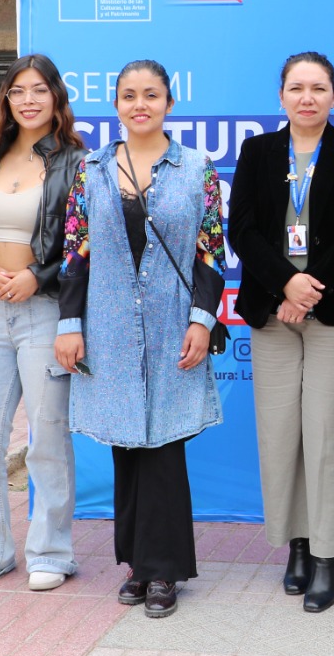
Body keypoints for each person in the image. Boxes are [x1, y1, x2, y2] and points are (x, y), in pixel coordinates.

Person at [52, 59, 226, 619]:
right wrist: (70, 325)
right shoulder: (93, 169)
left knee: (164, 450)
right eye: (128, 95)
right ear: (116, 104)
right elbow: (74, 252)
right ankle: (135, 563)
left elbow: (210, 252)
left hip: (175, 324)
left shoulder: (198, 168)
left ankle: (164, 570)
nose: (140, 104)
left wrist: (202, 319)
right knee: (127, 447)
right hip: (108, 328)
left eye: (151, 95)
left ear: (170, 103)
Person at [229, 51, 334, 612]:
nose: (306, 97)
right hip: (272, 310)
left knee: (328, 435)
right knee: (281, 433)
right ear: (281, 96)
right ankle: (298, 543)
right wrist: (286, 283)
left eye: (318, 87)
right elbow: (241, 228)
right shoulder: (258, 151)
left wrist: (311, 286)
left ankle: (329, 556)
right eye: (296, 87)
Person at [0, 55, 86, 592]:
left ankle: (52, 551)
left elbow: (83, 244)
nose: (28, 100)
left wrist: (37, 275)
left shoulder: (76, 163)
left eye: (39, 90)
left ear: (56, 97)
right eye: (17, 91)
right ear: (6, 101)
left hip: (44, 311)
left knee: (48, 437)